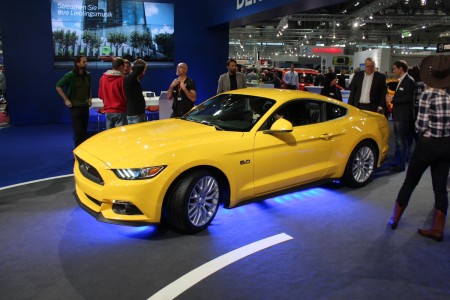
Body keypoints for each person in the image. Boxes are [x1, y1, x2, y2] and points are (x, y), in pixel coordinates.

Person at [388, 55, 450, 242]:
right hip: (446, 146)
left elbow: (420, 126)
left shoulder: (426, 95)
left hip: (427, 146)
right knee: (440, 189)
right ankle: (438, 229)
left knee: (410, 182)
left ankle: (394, 219)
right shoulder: (448, 97)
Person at [386, 60, 415, 172]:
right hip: (398, 115)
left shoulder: (409, 81)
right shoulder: (401, 80)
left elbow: (408, 98)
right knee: (398, 140)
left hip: (403, 116)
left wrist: (393, 99)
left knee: (401, 141)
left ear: (400, 68)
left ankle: (400, 164)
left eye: (394, 68)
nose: (393, 70)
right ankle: (397, 162)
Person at [56, 55, 92, 148]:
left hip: (85, 106)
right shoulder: (70, 75)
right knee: (78, 132)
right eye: (84, 61)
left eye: (86, 61)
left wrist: (90, 98)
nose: (86, 63)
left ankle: (84, 152)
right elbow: (58, 86)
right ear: (77, 63)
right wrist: (66, 100)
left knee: (84, 131)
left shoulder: (88, 75)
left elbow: (89, 88)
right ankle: (77, 153)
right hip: (75, 107)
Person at [98, 57, 128, 129]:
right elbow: (126, 96)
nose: (125, 69)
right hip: (120, 111)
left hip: (108, 111)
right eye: (124, 66)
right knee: (120, 135)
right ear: (121, 66)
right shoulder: (122, 79)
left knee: (110, 136)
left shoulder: (103, 78)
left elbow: (100, 95)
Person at [124, 59, 147, 124]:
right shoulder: (130, 78)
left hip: (137, 114)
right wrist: (132, 67)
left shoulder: (133, 79)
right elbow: (140, 67)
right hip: (135, 115)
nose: (144, 73)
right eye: (144, 70)